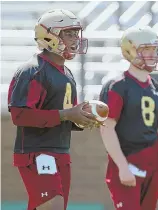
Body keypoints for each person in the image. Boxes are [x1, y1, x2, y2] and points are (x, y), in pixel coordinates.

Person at [8, 9, 99, 210]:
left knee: (50, 206)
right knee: (53, 205)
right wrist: (67, 114)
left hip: (60, 150)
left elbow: (63, 116)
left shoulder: (67, 73)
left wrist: (82, 118)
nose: (75, 39)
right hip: (37, 151)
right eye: (69, 33)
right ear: (49, 35)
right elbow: (19, 114)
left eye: (76, 33)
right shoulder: (32, 70)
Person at [99, 26, 158, 210]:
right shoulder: (117, 86)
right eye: (146, 49)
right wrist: (122, 166)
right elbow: (106, 128)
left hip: (152, 166)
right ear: (130, 51)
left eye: (154, 49)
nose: (152, 54)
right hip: (128, 159)